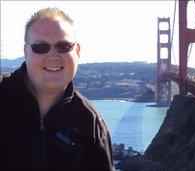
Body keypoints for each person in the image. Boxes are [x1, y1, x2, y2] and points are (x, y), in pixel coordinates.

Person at [0, 7, 114, 171]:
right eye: (40, 47)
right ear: (26, 52)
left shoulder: (91, 124)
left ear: (78, 51)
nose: (53, 56)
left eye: (63, 46)